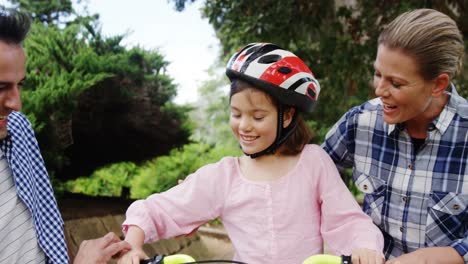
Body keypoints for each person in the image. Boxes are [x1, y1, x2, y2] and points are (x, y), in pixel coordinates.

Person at [119, 42, 384, 264]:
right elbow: (157, 209)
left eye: (258, 116)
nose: (244, 125)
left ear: (288, 115)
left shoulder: (313, 162)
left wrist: (364, 248)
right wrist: (133, 244)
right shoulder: (223, 176)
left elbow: (347, 220)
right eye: (236, 114)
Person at [322, 8, 467, 264]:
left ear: (438, 85)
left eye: (396, 84)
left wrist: (441, 257)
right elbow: (311, 178)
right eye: (378, 74)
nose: (379, 90)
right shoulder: (360, 123)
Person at [0, 8, 131, 264]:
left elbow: (46, 218)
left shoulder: (18, 127)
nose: (17, 103)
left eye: (20, 85)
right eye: (1, 87)